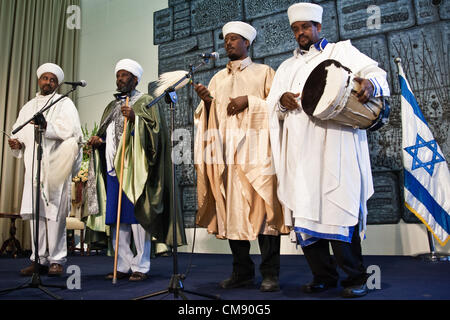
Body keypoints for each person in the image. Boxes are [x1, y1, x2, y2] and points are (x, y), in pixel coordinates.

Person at [267, 3, 390, 298]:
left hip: (337, 148)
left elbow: (375, 71)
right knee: (306, 212)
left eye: (306, 27)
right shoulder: (286, 67)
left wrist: (371, 84)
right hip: (300, 152)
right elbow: (272, 107)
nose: (301, 33)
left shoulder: (341, 51)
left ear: (318, 27)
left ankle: (354, 278)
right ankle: (323, 275)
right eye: (296, 29)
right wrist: (282, 101)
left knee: (339, 207)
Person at [194, 21, 289, 292]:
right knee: (234, 214)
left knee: (266, 213)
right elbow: (209, 119)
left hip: (259, 154)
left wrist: (250, 101)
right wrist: (207, 102)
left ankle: (271, 274)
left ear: (248, 43)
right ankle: (242, 272)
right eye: (226, 40)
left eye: (235, 39)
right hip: (228, 157)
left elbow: (278, 107)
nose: (229, 43)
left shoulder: (264, 73)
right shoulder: (217, 79)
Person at [88, 59, 186, 282]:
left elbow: (157, 132)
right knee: (117, 219)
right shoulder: (111, 106)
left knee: (136, 219)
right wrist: (99, 140)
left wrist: (136, 119)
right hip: (114, 169)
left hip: (136, 170)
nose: (120, 79)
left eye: (124, 75)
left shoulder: (146, 101)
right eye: (118, 76)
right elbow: (110, 134)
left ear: (135, 79)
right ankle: (122, 264)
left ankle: (141, 265)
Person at [9, 63, 83, 277]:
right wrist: (17, 145)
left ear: (57, 84)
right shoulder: (29, 106)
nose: (48, 82)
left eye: (52, 80)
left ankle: (57, 260)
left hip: (55, 169)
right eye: (45, 78)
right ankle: (38, 258)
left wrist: (46, 128)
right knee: (36, 215)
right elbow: (20, 133)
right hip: (34, 167)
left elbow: (70, 131)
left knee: (54, 216)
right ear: (39, 80)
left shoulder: (64, 103)